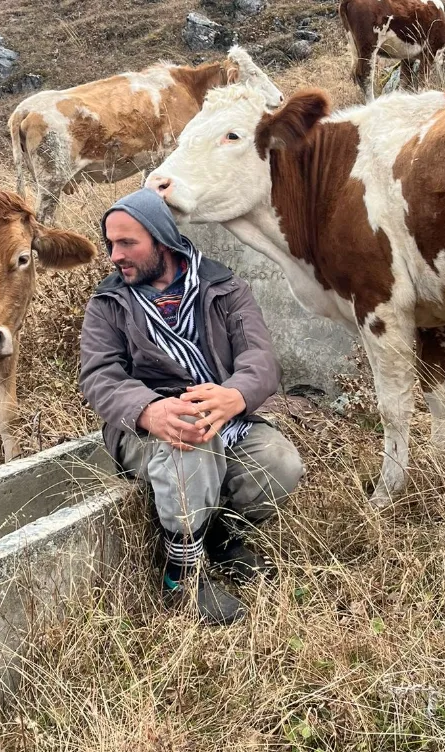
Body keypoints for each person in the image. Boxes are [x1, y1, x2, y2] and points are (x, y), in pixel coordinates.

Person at [79, 188, 305, 625]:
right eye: (110, 244)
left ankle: (220, 536)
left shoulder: (223, 287)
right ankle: (182, 574)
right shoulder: (108, 304)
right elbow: (99, 377)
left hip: (223, 417)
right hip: (144, 432)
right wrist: (149, 410)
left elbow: (260, 358)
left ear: (163, 241)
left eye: (127, 243)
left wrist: (234, 396)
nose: (114, 256)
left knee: (279, 462)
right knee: (191, 440)